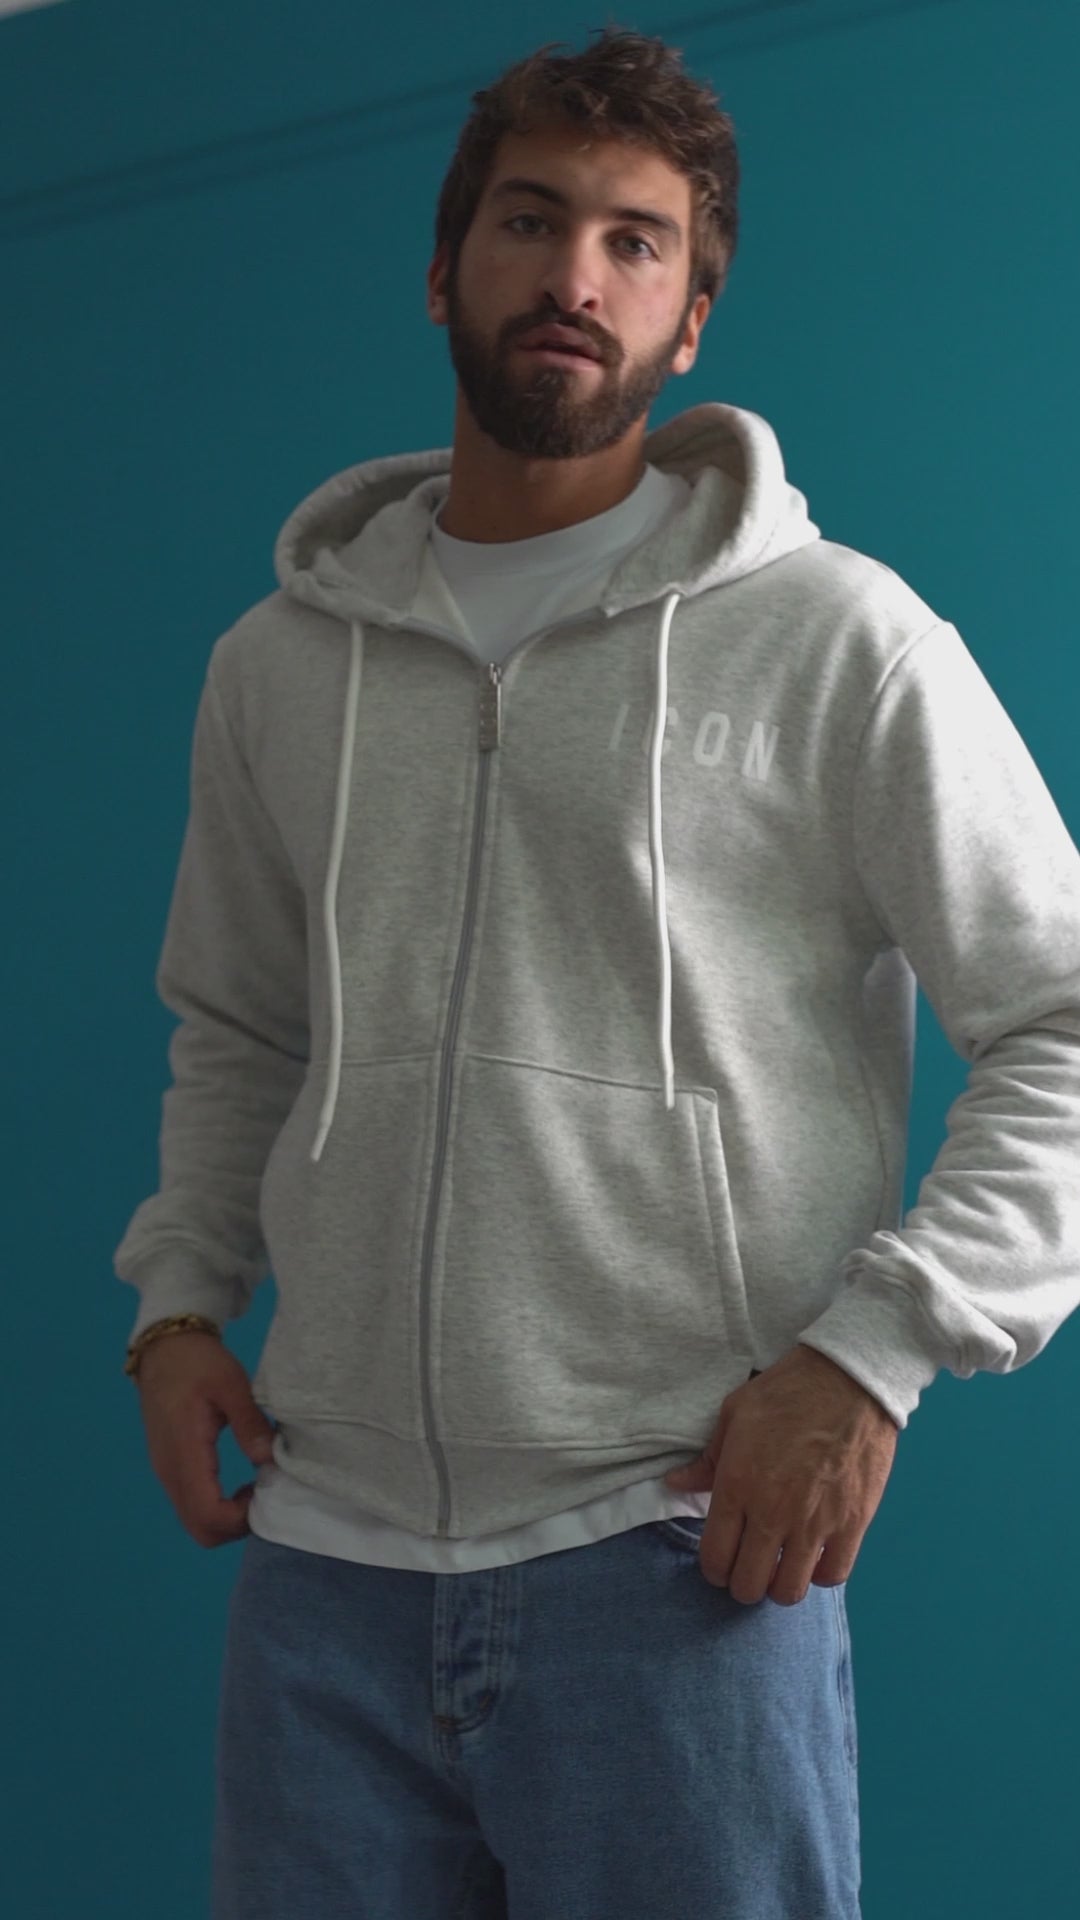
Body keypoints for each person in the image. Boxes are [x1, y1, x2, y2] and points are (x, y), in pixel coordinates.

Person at [115, 25, 1080, 1920]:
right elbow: (236, 1025)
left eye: (637, 243)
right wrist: (177, 1300)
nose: (576, 275)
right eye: (531, 220)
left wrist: (873, 1357)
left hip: (676, 1560)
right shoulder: (277, 667)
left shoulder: (839, 641)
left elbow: (1062, 1016)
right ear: (442, 269)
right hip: (323, 1575)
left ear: (693, 318)